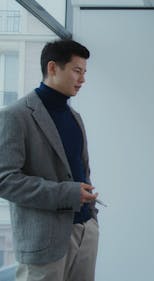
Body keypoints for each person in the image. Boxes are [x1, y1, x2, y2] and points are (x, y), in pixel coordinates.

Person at [0, 39, 99, 281]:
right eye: (77, 71)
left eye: (84, 73)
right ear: (52, 68)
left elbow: (80, 172)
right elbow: (5, 180)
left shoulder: (75, 117)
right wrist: (68, 193)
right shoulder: (15, 115)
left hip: (85, 230)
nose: (82, 79)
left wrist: (91, 218)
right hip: (43, 242)